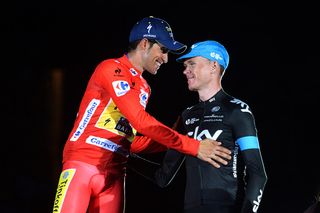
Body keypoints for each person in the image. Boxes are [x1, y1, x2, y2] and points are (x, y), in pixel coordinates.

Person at [52, 17, 232, 213]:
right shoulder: (110, 68)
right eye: (163, 50)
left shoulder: (144, 88)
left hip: (116, 175)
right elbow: (142, 122)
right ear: (145, 44)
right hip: (83, 165)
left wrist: (185, 134)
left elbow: (129, 141)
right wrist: (194, 147)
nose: (165, 59)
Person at [128, 40, 268, 213]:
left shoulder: (238, 110)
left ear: (213, 66)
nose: (185, 71)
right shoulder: (186, 116)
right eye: (185, 65)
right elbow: (163, 177)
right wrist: (125, 156)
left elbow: (258, 174)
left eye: (192, 64)